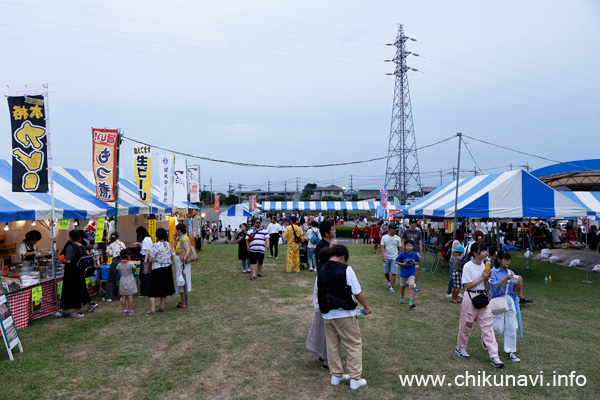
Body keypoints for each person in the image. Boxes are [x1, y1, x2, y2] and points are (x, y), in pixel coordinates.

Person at [317, 245, 372, 390]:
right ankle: (355, 378)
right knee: (353, 344)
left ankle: (336, 376)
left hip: (328, 315)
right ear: (343, 257)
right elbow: (357, 291)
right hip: (345, 314)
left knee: (332, 345)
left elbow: (320, 293)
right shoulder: (346, 269)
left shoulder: (321, 271)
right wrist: (366, 307)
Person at [454, 242, 504, 368]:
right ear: (475, 253)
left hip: (482, 298)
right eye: (483, 251)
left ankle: (494, 357)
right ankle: (460, 348)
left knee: (488, 327)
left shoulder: (485, 266)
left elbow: (485, 286)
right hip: (470, 297)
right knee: (467, 324)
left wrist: (487, 279)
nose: (486, 253)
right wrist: (482, 277)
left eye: (486, 251)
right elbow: (468, 285)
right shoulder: (468, 266)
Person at [489, 250, 521, 363]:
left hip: (510, 300)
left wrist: (518, 284)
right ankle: (487, 338)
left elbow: (516, 290)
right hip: (498, 300)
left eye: (509, 260)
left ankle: (510, 351)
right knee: (497, 327)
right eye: (505, 259)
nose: (508, 262)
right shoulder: (493, 272)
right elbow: (494, 287)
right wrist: (505, 279)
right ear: (499, 260)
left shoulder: (511, 272)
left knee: (511, 327)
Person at [306, 247, 334, 370]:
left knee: (323, 333)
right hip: (326, 309)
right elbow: (318, 292)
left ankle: (323, 356)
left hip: (322, 308)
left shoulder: (322, 272)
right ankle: (326, 360)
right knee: (329, 336)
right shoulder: (325, 273)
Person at [60, 229, 97, 318]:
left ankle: (78, 312)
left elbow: (68, 261)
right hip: (80, 271)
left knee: (74, 290)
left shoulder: (70, 247)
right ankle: (86, 306)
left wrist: (62, 259)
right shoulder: (82, 246)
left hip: (72, 272)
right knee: (81, 288)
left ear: (71, 237)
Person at [147, 228, 175, 314]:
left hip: (157, 269)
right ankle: (162, 306)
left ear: (157, 236)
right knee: (164, 287)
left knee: (153, 288)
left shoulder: (155, 246)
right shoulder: (168, 244)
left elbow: (151, 259)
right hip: (167, 268)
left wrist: (148, 256)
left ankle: (152, 308)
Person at [103, 232, 126, 302]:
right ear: (118, 238)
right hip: (123, 261)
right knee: (122, 279)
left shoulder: (110, 245)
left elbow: (110, 254)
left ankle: (108, 297)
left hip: (115, 261)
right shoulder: (122, 244)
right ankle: (122, 296)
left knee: (111, 279)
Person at [396, 240, 420, 308]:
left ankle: (411, 301)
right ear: (405, 246)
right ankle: (402, 298)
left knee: (411, 286)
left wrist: (413, 263)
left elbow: (418, 262)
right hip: (403, 273)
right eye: (408, 246)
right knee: (402, 286)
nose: (409, 247)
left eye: (411, 246)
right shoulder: (402, 254)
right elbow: (396, 261)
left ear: (413, 247)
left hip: (411, 272)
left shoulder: (415, 254)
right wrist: (403, 264)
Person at [174, 223, 193, 308]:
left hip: (182, 262)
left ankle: (184, 303)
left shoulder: (184, 239)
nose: (175, 232)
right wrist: (174, 239)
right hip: (180, 262)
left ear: (179, 230)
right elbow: (176, 249)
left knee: (182, 280)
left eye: (176, 230)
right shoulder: (181, 238)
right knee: (181, 280)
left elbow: (188, 250)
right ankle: (183, 301)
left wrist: (184, 259)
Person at [402, 219, 423, 292]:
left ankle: (414, 284)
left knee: (415, 268)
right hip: (407, 252)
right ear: (409, 224)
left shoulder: (418, 232)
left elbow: (420, 243)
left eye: (415, 223)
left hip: (415, 252)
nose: (413, 225)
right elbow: (403, 241)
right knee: (407, 266)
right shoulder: (406, 231)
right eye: (412, 223)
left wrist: (420, 254)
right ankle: (407, 281)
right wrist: (402, 251)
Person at [380, 224, 403, 293]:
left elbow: (400, 248)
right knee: (386, 272)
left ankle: (392, 287)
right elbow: (382, 247)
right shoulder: (384, 237)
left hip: (394, 257)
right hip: (387, 257)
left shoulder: (398, 238)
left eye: (395, 229)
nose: (394, 230)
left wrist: (399, 257)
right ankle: (389, 281)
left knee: (393, 273)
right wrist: (383, 256)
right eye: (393, 228)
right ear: (389, 229)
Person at [116, 249, 137, 315]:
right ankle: (130, 310)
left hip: (122, 280)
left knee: (123, 296)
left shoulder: (119, 265)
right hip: (130, 280)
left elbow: (119, 272)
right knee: (130, 295)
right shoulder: (130, 264)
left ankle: (124, 310)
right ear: (127, 255)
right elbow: (134, 269)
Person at [449, 228, 466, 304]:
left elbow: (451, 261)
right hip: (458, 272)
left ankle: (453, 298)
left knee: (454, 286)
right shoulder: (459, 258)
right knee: (457, 286)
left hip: (454, 272)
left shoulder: (453, 258)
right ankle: (455, 299)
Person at [136, 226, 153, 297]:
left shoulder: (145, 240)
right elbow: (146, 247)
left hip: (145, 258)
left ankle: (145, 292)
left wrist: (145, 261)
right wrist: (138, 244)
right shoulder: (148, 238)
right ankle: (146, 291)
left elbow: (147, 251)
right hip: (147, 258)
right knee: (146, 275)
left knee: (144, 276)